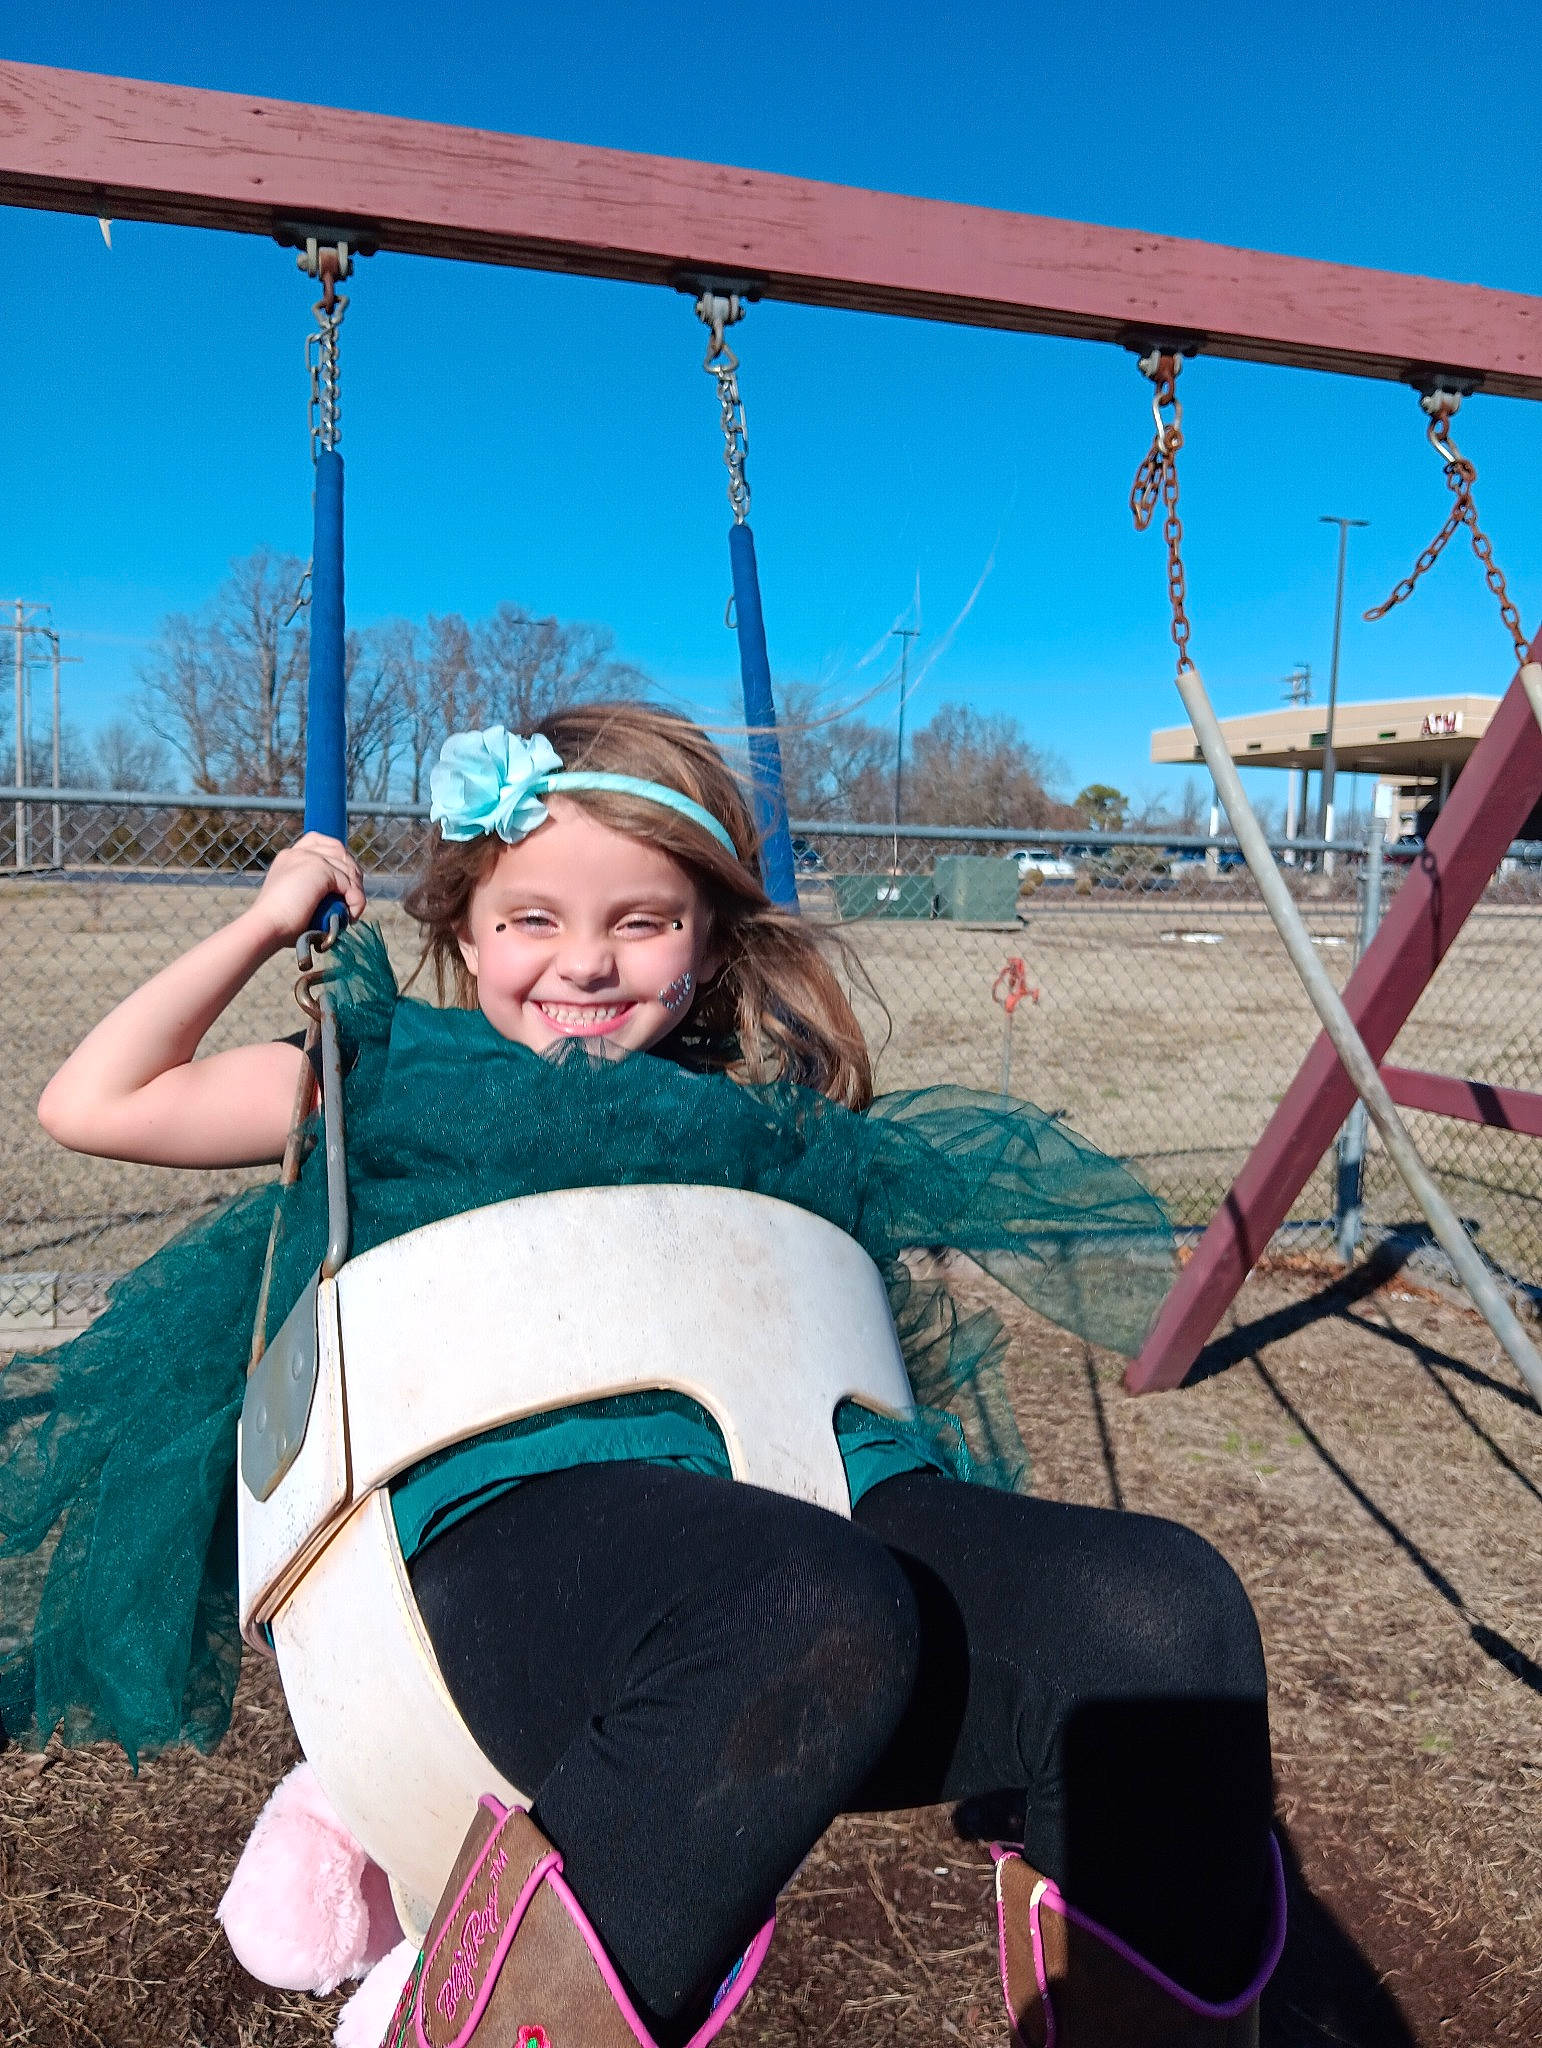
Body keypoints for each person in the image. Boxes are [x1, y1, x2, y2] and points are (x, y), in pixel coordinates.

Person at [21, 704, 1282, 2047]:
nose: (585, 964)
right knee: (796, 1594)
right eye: (531, 921)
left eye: (642, 920)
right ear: (461, 928)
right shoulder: (381, 1073)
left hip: (804, 1500)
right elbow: (94, 1103)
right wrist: (269, 924)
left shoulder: (751, 1115)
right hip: (506, 1542)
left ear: (710, 940)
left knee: (1161, 1612)